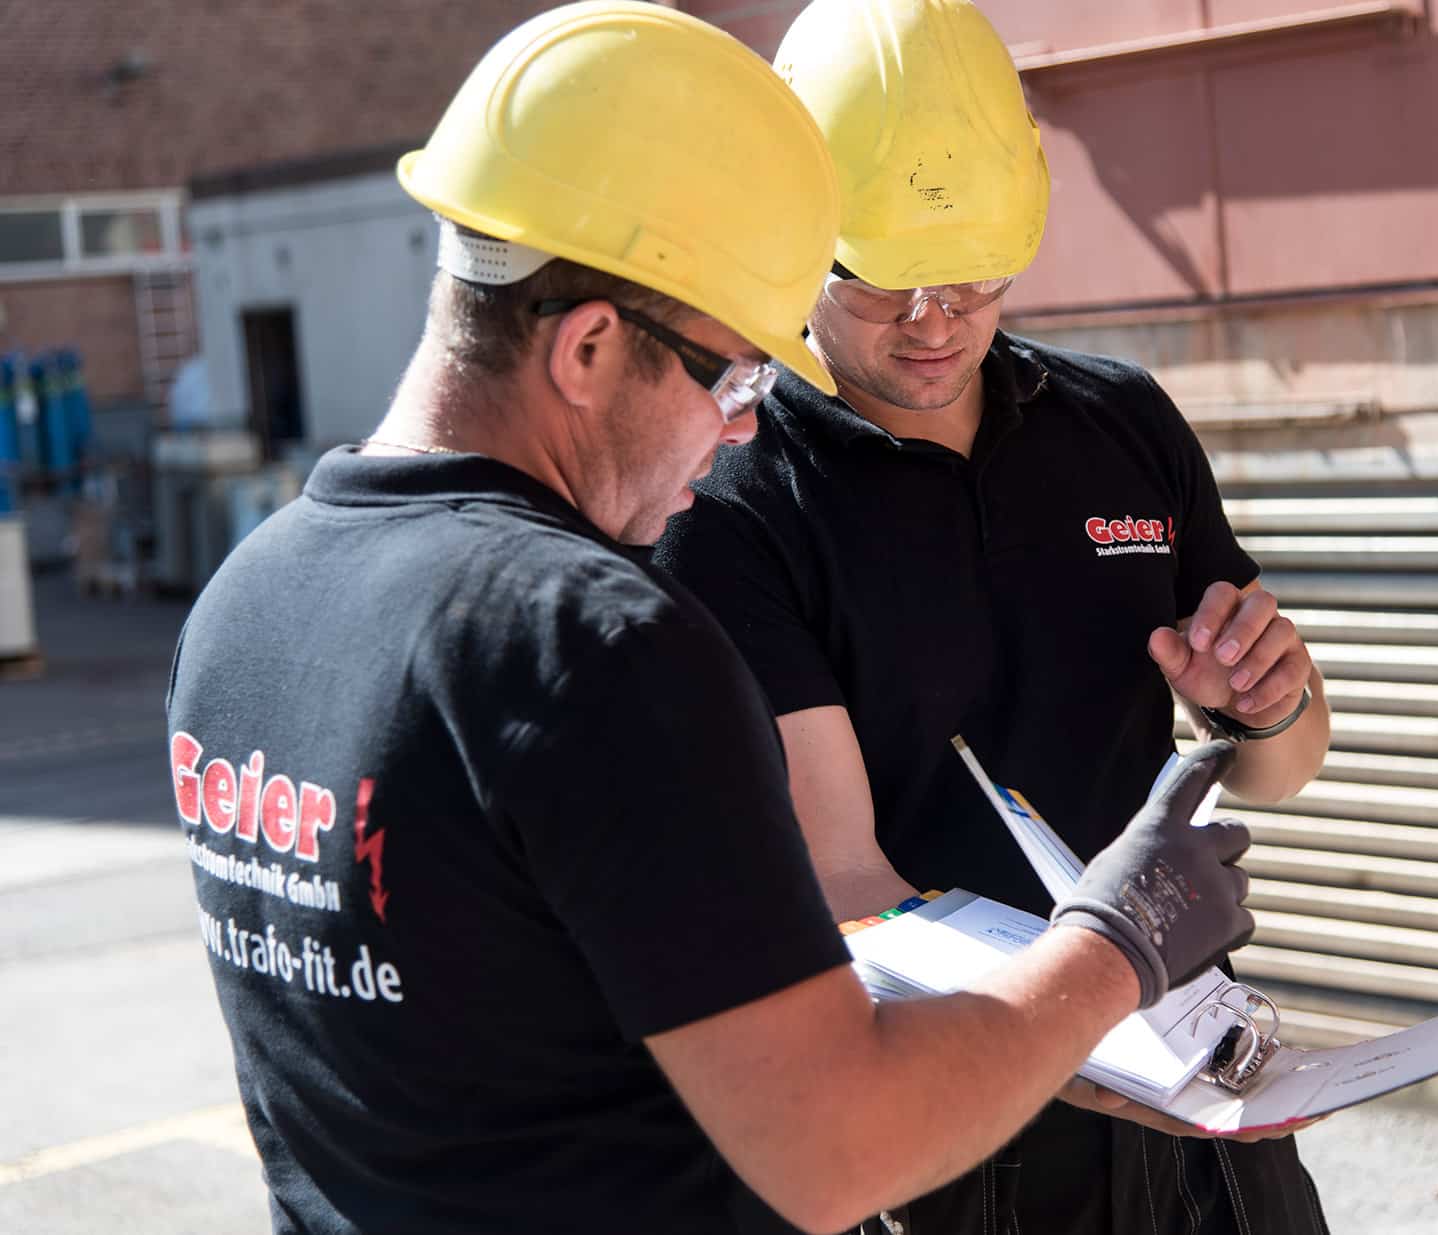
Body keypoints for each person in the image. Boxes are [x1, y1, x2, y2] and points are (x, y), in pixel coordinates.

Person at [163, 6, 1263, 1233]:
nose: (742, 425)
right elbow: (838, 1145)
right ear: (586, 347)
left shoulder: (243, 605)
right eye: (731, 374)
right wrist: (1120, 939)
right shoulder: (590, 648)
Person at [652, 1, 1335, 1232]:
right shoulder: (739, 493)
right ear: (797, 233)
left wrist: (1269, 701)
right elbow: (850, 882)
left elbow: (1282, 769)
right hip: (957, 1126)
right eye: (882, 279)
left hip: (1195, 1089)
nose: (932, 319)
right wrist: (1087, 998)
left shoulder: (1117, 420)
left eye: (968, 271)